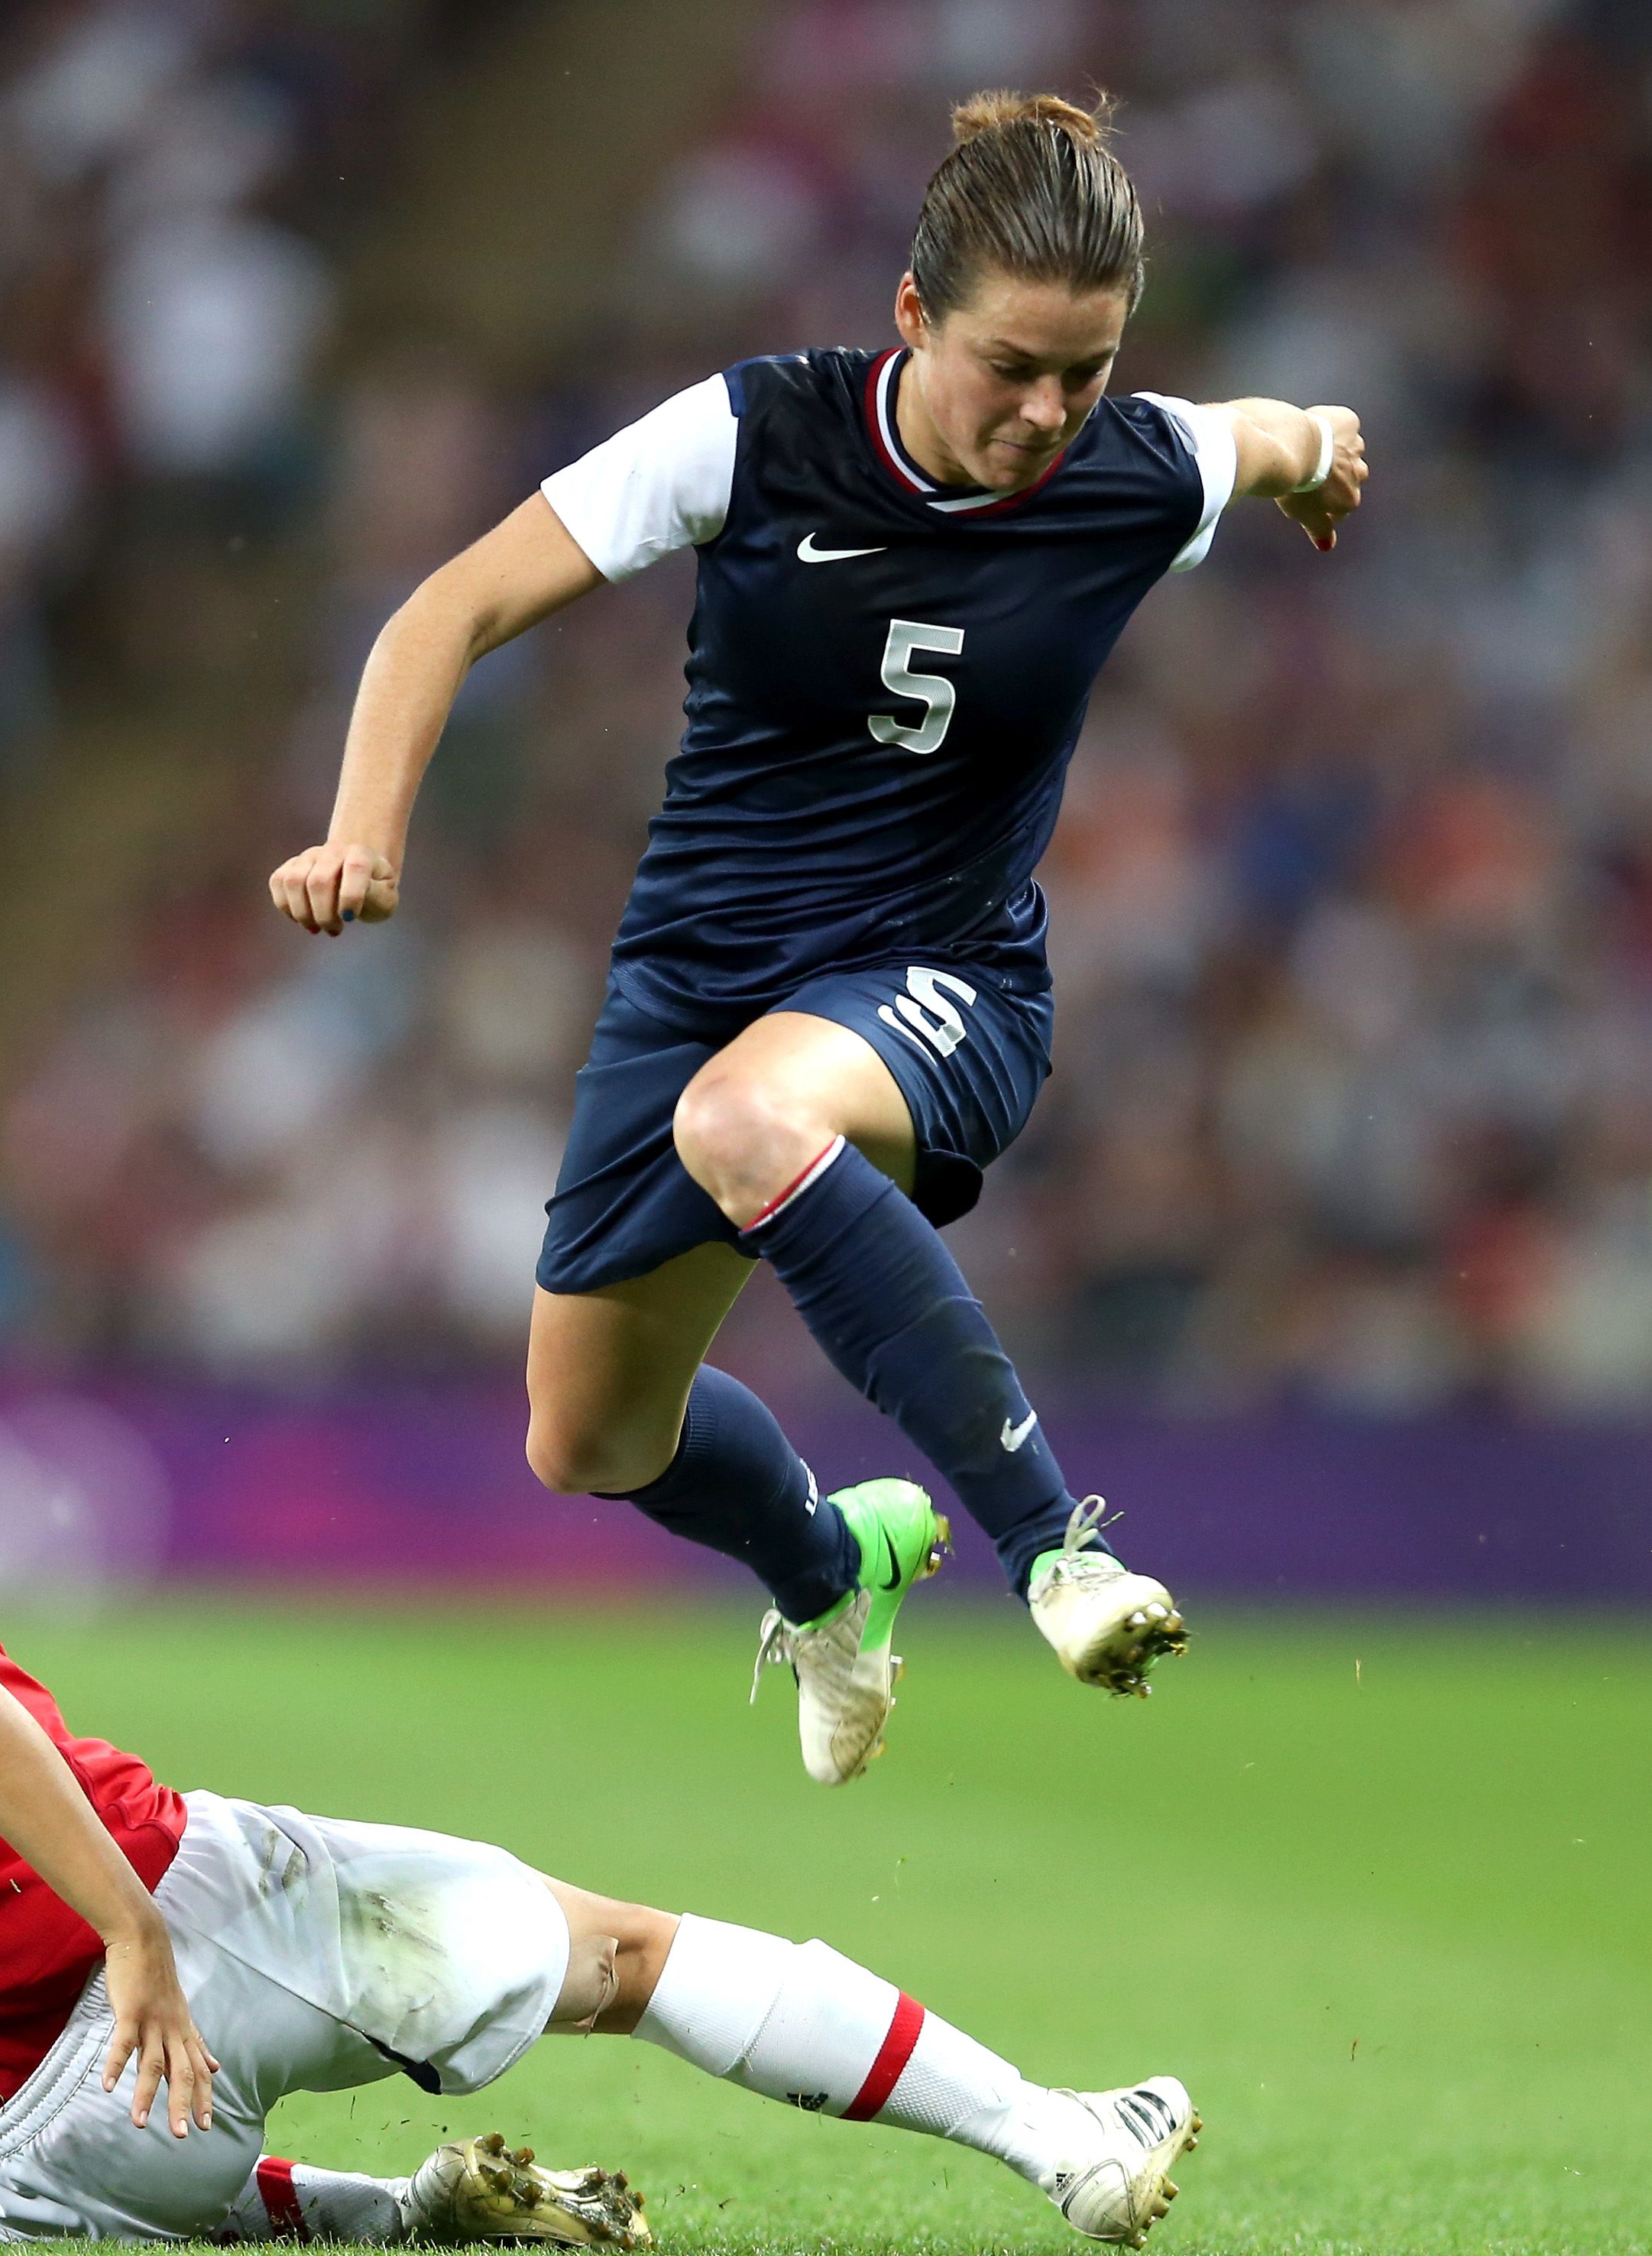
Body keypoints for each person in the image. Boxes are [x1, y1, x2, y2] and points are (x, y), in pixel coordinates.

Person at [0, 1249, 1200, 2251]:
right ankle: (1060, 2141)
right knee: (633, 1960)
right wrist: (129, 1932)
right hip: (170, 1927)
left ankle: (390, 2212)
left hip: (40, 2155)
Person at [268, 92, 1369, 1784]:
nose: (1048, 411)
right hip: (695, 980)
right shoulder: (758, 435)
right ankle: (829, 1564)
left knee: (746, 1124)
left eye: (1087, 371)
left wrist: (1322, 451)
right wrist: (364, 829)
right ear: (915, 315)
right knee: (589, 1435)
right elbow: (451, 605)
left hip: (945, 984)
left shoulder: (1132, 473)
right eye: (1013, 365)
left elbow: (1268, 430)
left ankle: (1057, 1548)